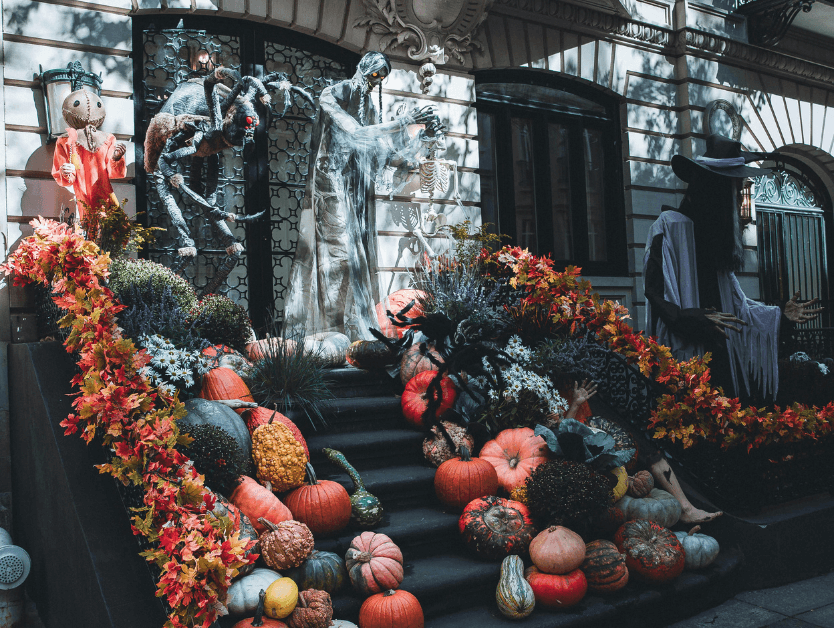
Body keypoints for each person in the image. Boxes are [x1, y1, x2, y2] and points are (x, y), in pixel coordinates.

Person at [643, 134, 822, 405]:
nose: (740, 201)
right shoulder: (669, 227)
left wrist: (780, 315)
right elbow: (656, 296)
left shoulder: (715, 240)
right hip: (684, 368)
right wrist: (699, 319)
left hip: (721, 365)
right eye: (736, 193)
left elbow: (740, 309)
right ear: (716, 192)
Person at [282, 51, 440, 341]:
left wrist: (422, 138)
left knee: (352, 260)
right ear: (362, 67)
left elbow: (383, 155)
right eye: (375, 72)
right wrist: (403, 121)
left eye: (382, 77)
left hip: (353, 193)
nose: (375, 80)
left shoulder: (371, 110)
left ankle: (344, 333)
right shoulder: (333, 94)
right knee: (338, 256)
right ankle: (330, 332)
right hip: (330, 184)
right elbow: (355, 134)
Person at [51, 88, 127, 231]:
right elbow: (65, 177)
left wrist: (116, 158)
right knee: (86, 235)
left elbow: (114, 173)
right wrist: (65, 171)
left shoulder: (108, 138)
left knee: (110, 233)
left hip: (104, 198)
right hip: (80, 198)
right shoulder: (65, 140)